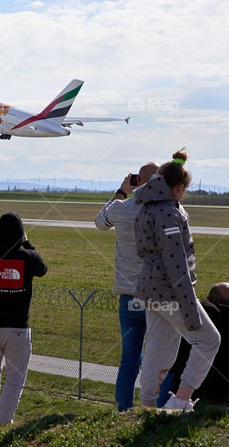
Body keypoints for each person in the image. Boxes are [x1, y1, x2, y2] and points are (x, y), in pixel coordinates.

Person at [134, 149, 220, 412]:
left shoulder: (146, 206)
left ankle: (147, 404)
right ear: (179, 187)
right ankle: (182, 399)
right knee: (208, 339)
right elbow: (176, 262)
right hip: (170, 292)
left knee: (160, 350)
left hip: (149, 289)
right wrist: (189, 305)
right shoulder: (169, 212)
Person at [94, 162, 160, 411]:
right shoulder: (164, 210)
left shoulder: (122, 208)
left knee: (129, 359)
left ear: (138, 182)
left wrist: (121, 193)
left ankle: (123, 410)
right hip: (156, 296)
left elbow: (100, 222)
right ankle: (158, 409)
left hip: (128, 294)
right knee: (160, 357)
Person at [0, 212, 47, 424]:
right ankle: (2, 421)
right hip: (18, 329)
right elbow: (42, 269)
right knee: (15, 381)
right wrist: (27, 244)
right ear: (20, 234)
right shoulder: (28, 258)